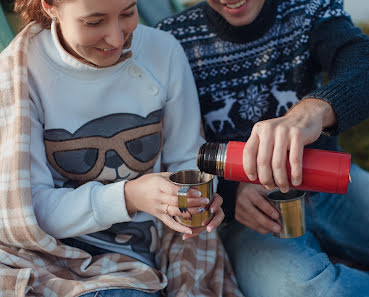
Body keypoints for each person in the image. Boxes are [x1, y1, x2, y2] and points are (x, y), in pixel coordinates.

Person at [156, 0, 369, 296]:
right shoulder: (172, 38)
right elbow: (170, 149)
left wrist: (313, 111)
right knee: (303, 290)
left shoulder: (307, 9)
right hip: (254, 216)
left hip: (334, 189)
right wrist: (230, 194)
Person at [0, 0, 243, 296]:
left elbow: (187, 158)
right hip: (56, 257)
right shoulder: (21, 73)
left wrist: (197, 198)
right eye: (94, 22)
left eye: (128, 13)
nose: (117, 38)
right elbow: (29, 208)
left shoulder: (162, 50)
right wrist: (129, 197)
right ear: (51, 6)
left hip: (150, 246)